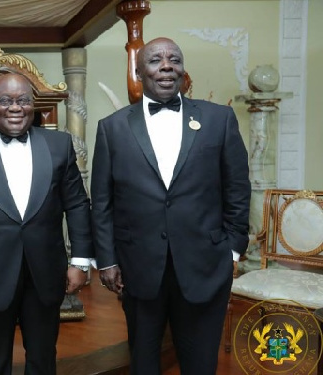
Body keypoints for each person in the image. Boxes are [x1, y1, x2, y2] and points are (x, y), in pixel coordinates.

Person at [91, 37, 250, 375]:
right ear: (138, 72)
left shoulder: (219, 119)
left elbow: (237, 187)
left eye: (174, 59)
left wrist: (233, 250)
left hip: (205, 265)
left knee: (200, 363)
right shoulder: (112, 128)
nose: (166, 65)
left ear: (182, 69)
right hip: (138, 268)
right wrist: (106, 260)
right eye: (155, 60)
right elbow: (102, 201)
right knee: (144, 362)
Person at [0, 73, 93, 375]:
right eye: (5, 100)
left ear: (33, 104)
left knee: (43, 358)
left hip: (46, 272)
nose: (14, 107)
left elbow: (76, 204)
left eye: (22, 100)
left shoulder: (59, 145)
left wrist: (80, 261)